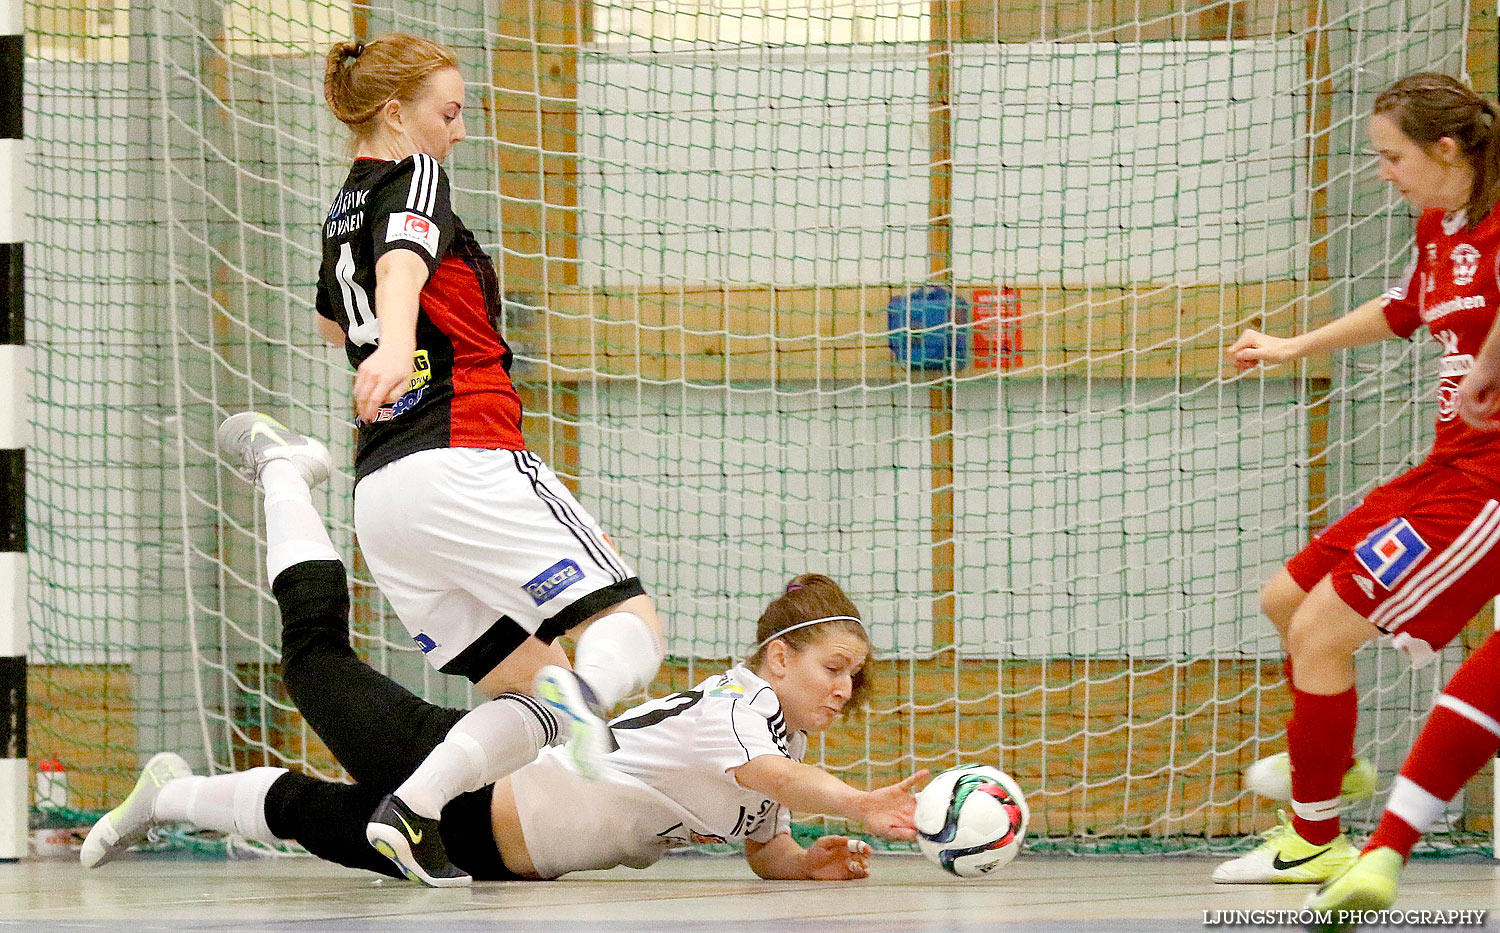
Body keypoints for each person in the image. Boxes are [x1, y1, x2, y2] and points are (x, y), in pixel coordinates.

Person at [79, 422, 924, 882]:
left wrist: (806, 863)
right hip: (473, 784)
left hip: (490, 854)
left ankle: (166, 793)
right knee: (313, 660)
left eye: (856, 674)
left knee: (304, 812)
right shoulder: (738, 711)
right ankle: (284, 473)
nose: (847, 687)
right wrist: (860, 805)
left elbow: (766, 841)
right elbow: (776, 786)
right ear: (777, 660)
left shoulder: (786, 744)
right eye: (833, 666)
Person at [284, 30, 667, 884]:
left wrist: (379, 344)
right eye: (448, 113)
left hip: (383, 495)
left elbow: (326, 323)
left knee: (529, 684)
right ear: (395, 112)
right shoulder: (412, 171)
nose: (457, 132)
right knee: (630, 630)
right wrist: (395, 340)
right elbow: (403, 261)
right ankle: (592, 705)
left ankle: (412, 813)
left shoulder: (341, 206)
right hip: (466, 453)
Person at [1216, 72, 1500, 885]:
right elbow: (1406, 308)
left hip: (1489, 487)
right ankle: (1330, 772)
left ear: (1447, 149)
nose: (1381, 171)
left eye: (1391, 156)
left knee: (1323, 630)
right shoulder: (1441, 223)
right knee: (1285, 599)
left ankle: (1315, 835)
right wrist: (1292, 345)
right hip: (1446, 463)